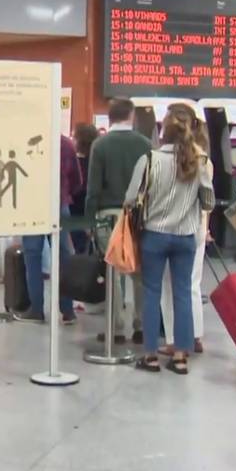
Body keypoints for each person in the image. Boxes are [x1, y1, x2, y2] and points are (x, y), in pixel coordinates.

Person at [128, 119, 215, 375]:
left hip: (154, 235)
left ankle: (151, 356)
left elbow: (131, 197)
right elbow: (208, 201)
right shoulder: (198, 162)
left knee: (152, 293)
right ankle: (180, 357)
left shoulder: (149, 160)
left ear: (163, 134)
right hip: (185, 235)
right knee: (182, 293)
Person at [85, 98, 151, 345]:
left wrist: (90, 221)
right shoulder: (145, 144)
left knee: (112, 271)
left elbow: (93, 187)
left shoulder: (100, 145)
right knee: (139, 272)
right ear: (131, 116)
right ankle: (141, 325)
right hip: (137, 215)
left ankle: (116, 327)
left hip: (108, 215)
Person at [159, 103, 213, 356]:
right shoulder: (203, 157)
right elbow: (208, 200)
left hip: (170, 228)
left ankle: (173, 339)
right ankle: (195, 335)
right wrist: (207, 226)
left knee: (169, 287)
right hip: (197, 228)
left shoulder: (163, 157)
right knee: (192, 284)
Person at [14, 134, 81, 325]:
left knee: (33, 257)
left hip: (32, 205)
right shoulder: (65, 143)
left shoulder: (23, 142)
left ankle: (36, 310)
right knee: (63, 257)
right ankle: (68, 310)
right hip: (60, 205)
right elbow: (77, 181)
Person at [70, 124, 99, 254]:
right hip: (94, 212)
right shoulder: (97, 162)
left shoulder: (74, 163)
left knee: (79, 248)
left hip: (75, 212)